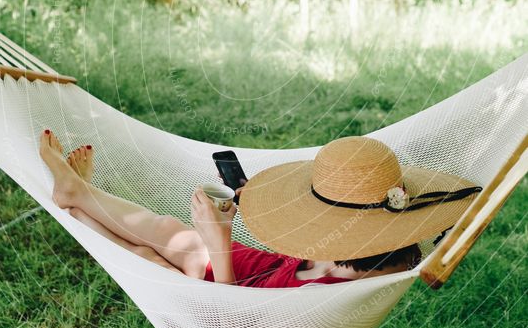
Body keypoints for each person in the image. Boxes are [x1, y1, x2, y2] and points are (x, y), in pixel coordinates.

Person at [39, 130, 480, 288]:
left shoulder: (321, 299)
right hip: (265, 268)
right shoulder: (393, 250)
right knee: (171, 230)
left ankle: (77, 200)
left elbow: (235, 322)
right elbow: (327, 244)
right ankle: (80, 195)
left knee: (155, 260)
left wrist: (220, 242)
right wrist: (261, 208)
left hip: (224, 308)